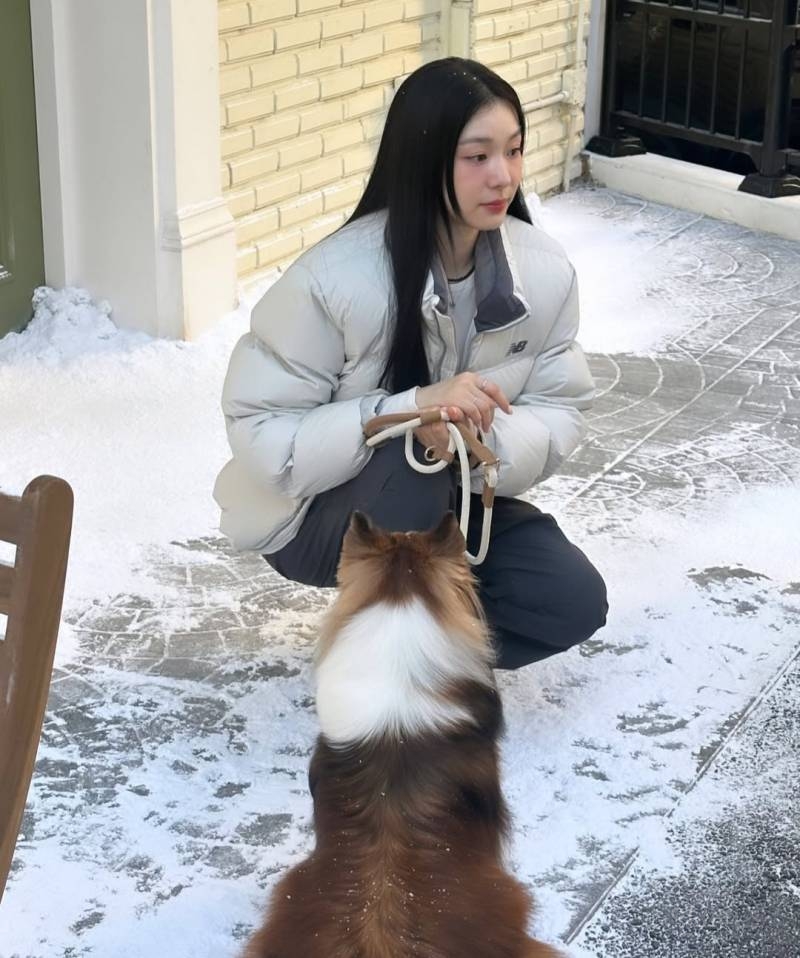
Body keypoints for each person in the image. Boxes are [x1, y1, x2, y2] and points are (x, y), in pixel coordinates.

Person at [214, 57, 608, 670]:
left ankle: (426, 651)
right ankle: (387, 672)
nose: (502, 175)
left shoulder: (545, 272)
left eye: (514, 150)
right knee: (413, 456)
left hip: (454, 503)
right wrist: (409, 413)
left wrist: (476, 440)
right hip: (314, 516)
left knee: (570, 600)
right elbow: (265, 439)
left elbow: (561, 406)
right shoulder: (335, 280)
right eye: (477, 157)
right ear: (425, 160)